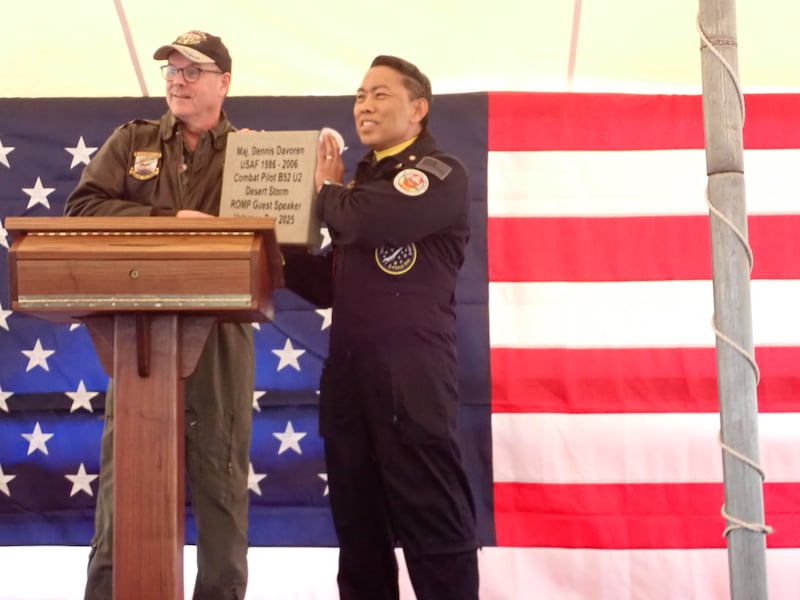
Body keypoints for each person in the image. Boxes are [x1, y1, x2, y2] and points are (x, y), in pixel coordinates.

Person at [64, 30, 253, 600]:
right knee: (124, 492)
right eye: (171, 69)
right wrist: (175, 218)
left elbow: (276, 242)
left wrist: (284, 183)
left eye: (192, 70)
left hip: (219, 335)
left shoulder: (252, 152)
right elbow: (84, 208)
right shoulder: (132, 141)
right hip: (140, 337)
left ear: (224, 82)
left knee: (220, 484)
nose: (177, 78)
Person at [311, 55, 480, 599]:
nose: (365, 104)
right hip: (351, 376)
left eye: (381, 94)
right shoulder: (361, 184)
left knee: (432, 523)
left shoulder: (438, 171)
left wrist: (322, 191)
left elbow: (368, 219)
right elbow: (326, 282)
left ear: (419, 109)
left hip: (410, 376)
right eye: (360, 95)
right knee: (359, 533)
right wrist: (255, 246)